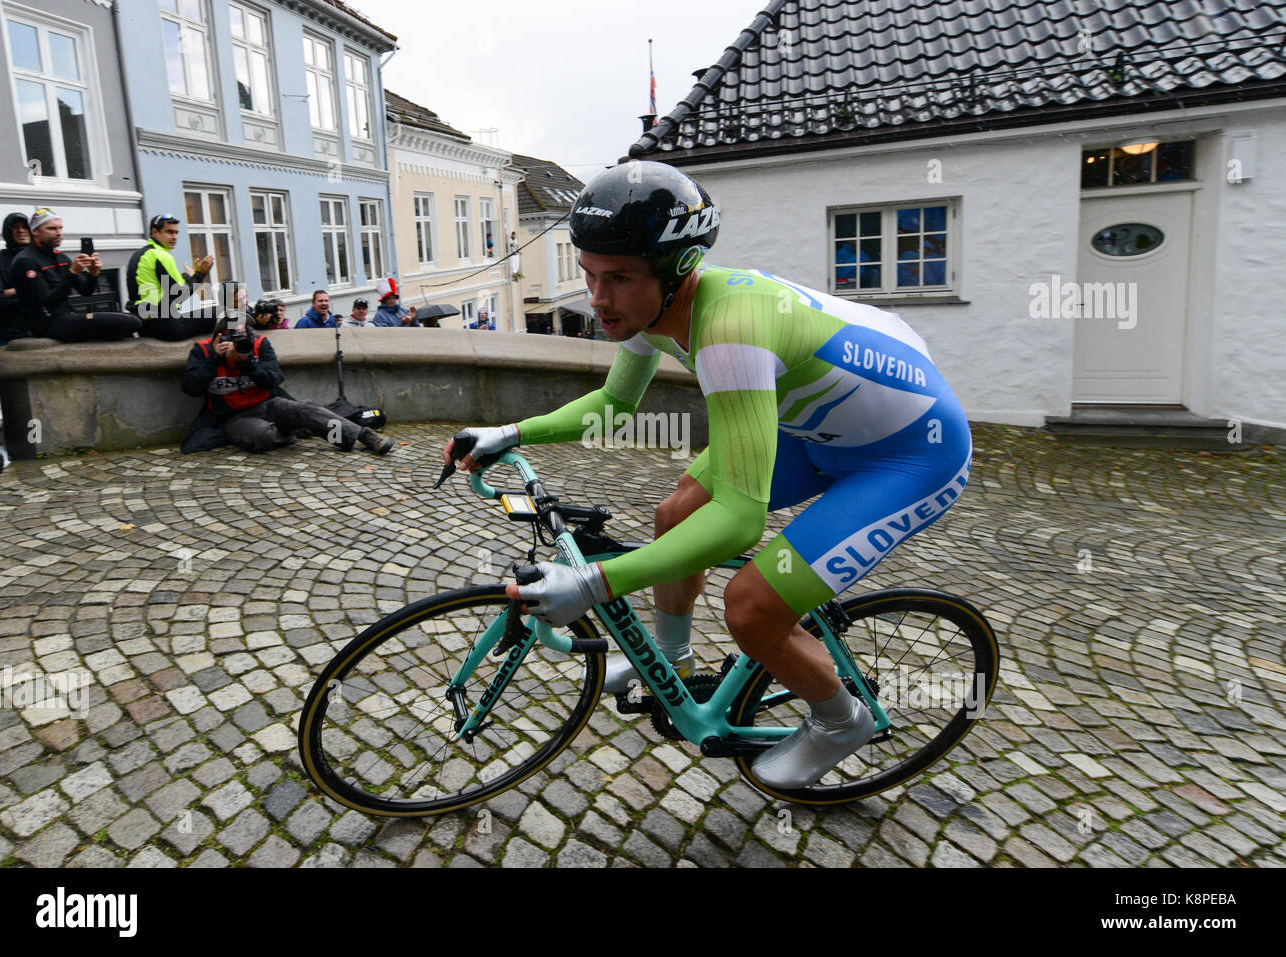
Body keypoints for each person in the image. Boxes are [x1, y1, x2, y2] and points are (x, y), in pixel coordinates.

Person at [444, 162, 972, 790]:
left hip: (908, 456)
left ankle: (839, 718)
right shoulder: (654, 310)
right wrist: (509, 433)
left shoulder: (729, 331)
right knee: (677, 513)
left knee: (750, 607)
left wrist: (592, 585)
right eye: (588, 274)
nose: (597, 298)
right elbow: (613, 406)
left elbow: (741, 519)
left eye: (618, 278)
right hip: (821, 431)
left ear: (677, 272)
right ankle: (669, 658)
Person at [180, 311, 392, 455]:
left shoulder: (259, 345)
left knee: (304, 409)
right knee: (262, 435)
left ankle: (361, 435)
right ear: (220, 335)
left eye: (242, 332)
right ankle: (299, 429)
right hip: (233, 416)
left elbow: (274, 379)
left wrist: (247, 363)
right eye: (231, 332)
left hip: (268, 404)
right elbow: (191, 388)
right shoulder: (203, 351)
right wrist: (215, 360)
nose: (237, 337)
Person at [10, 209, 140, 342]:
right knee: (129, 322)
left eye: (60, 228)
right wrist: (73, 272)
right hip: (47, 324)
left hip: (67, 316)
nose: (59, 233)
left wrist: (93, 273)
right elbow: (48, 303)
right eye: (52, 228)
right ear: (35, 231)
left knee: (131, 320)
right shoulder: (25, 261)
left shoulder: (60, 256)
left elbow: (86, 291)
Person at [125, 213, 216, 340]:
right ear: (154, 232)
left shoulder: (140, 254)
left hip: (145, 325)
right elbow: (179, 294)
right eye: (169, 232)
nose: (174, 237)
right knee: (224, 312)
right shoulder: (161, 256)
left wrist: (192, 276)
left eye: (176, 233)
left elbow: (171, 285)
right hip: (166, 326)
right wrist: (200, 275)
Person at [0, 212, 32, 346]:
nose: (21, 231)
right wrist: (27, 290)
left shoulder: (39, 258)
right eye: (16, 227)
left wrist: (11, 291)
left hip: (40, 332)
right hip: (10, 337)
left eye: (24, 227)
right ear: (8, 232)